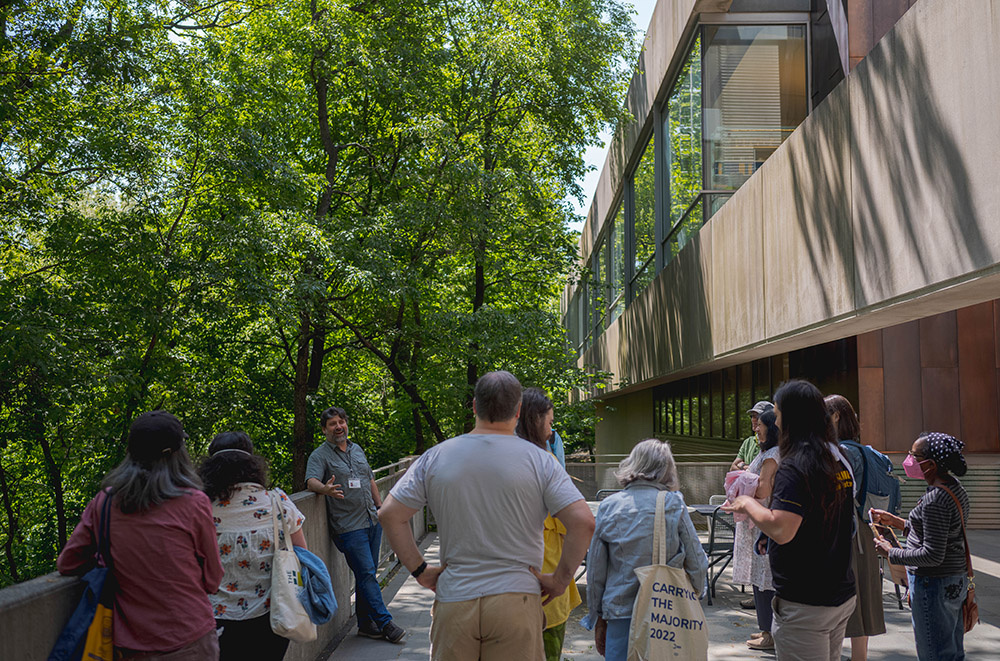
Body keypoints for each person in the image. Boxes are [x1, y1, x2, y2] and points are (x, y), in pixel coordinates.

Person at [378, 371, 594, 661]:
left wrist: (421, 571)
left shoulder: (437, 456)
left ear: (475, 407)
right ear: (518, 410)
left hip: (455, 597)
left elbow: (390, 514)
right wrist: (558, 580)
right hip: (517, 599)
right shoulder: (541, 461)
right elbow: (583, 522)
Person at [57, 410, 224, 659]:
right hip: (189, 639)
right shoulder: (194, 503)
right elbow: (213, 580)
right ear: (177, 455)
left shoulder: (105, 502)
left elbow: (68, 563)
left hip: (129, 645)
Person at [724, 380, 856, 661]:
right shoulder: (837, 457)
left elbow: (783, 529)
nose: (776, 420)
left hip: (806, 603)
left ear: (791, 416)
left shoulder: (796, 465)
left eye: (778, 412)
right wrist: (766, 533)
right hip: (840, 593)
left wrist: (746, 503)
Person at [583, 439, 708, 661]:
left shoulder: (609, 506)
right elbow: (697, 561)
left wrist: (598, 616)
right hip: (665, 614)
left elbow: (595, 571)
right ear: (666, 469)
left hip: (620, 613)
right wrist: (694, 595)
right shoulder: (673, 504)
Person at [199, 431, 307, 661]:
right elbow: (303, 554)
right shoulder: (278, 502)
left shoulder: (201, 510)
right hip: (272, 616)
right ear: (252, 464)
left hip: (216, 619)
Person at [305, 407, 404, 643]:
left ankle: (365, 624)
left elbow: (369, 478)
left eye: (341, 422)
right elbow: (310, 481)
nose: (338, 427)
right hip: (348, 526)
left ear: (346, 424)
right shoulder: (319, 455)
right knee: (367, 573)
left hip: (371, 519)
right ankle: (384, 622)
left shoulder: (356, 449)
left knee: (365, 574)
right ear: (324, 429)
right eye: (332, 424)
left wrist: (380, 507)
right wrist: (325, 489)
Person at [872, 432, 970, 661]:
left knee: (935, 654)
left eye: (914, 455)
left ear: (931, 464)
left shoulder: (935, 499)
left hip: (933, 584)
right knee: (951, 653)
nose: (909, 459)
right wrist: (897, 522)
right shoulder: (953, 488)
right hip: (953, 581)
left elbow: (932, 554)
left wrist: (890, 552)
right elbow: (940, 533)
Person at [515, 388, 582, 661]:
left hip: (504, 585)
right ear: (535, 420)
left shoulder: (499, 461)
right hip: (546, 582)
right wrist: (562, 579)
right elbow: (579, 524)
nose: (551, 432)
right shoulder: (547, 463)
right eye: (550, 423)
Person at [825, 394, 885, 661]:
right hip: (866, 529)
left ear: (835, 416)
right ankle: (859, 657)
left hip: (846, 533)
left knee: (845, 596)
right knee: (864, 595)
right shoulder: (865, 450)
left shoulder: (842, 453)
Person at [731, 409, 781, 651]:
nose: (755, 428)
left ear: (772, 428)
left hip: (763, 524)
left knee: (765, 579)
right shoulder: (768, 452)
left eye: (759, 424)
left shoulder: (773, 455)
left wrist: (742, 484)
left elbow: (763, 490)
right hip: (757, 524)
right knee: (761, 579)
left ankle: (769, 633)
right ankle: (766, 629)